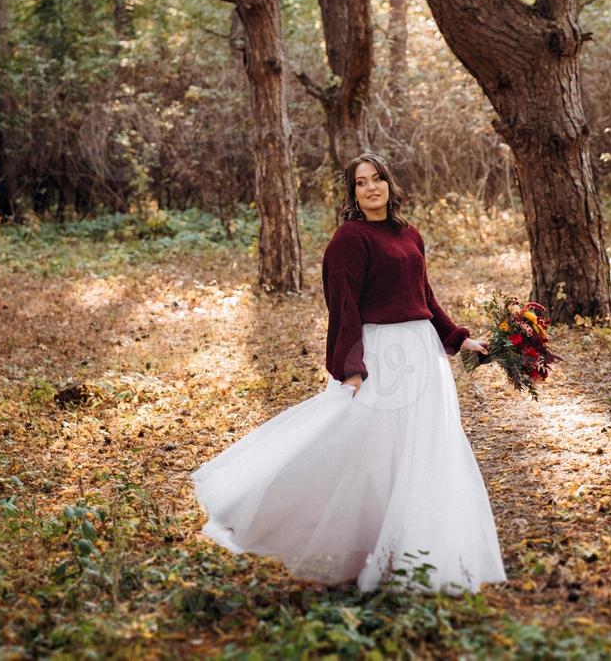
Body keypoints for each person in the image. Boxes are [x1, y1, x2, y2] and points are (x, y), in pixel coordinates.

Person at [189, 152, 508, 594]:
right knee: (367, 449)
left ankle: (406, 555)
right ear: (352, 193)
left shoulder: (408, 233)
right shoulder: (349, 240)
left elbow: (425, 297)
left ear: (390, 185)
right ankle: (304, 525)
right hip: (383, 355)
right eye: (361, 183)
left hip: (423, 355)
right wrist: (352, 369)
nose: (371, 188)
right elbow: (344, 307)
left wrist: (458, 338)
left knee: (419, 451)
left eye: (378, 179)